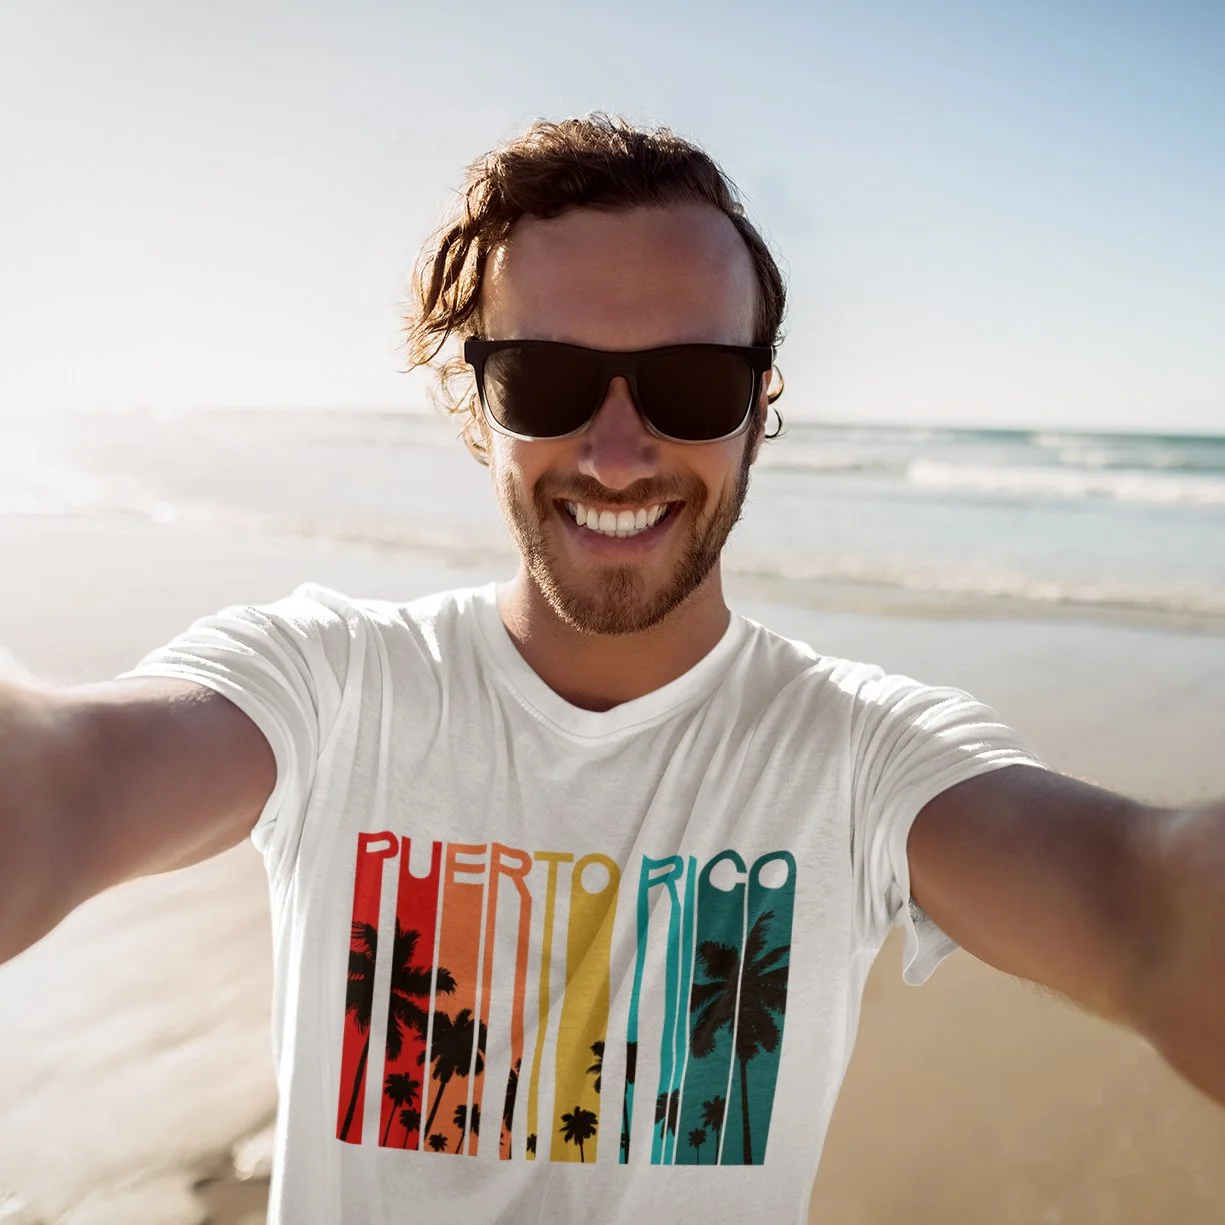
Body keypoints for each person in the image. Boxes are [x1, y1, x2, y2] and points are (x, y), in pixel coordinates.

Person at [0, 115, 1221, 1224]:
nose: (622, 451)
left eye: (693, 382)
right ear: (474, 404)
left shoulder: (862, 754)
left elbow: (1142, 907)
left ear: (758, 405)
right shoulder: (328, 684)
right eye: (550, 379)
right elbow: (66, 779)